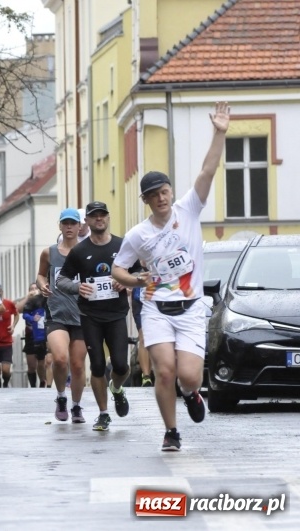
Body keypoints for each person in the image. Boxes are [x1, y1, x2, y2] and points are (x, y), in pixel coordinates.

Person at [112, 102, 230, 451]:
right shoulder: (138, 235)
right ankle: (171, 431)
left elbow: (208, 170)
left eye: (164, 192)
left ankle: (192, 393)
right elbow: (119, 268)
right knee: (164, 371)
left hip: (191, 307)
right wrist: (137, 280)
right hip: (157, 308)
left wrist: (220, 133)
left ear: (170, 192)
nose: (161, 198)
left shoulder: (188, 209)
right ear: (146, 200)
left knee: (189, 376)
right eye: (154, 195)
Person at [56, 201, 140, 431]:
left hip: (116, 314)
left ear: (108, 218)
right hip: (90, 315)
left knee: (121, 365)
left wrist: (126, 282)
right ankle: (103, 414)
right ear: (87, 221)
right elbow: (61, 280)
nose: (99, 219)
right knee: (98, 365)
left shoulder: (122, 245)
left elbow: (139, 271)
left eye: (102, 215)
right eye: (94, 216)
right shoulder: (79, 251)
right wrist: (77, 287)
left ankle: (117, 388)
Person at [37, 208, 88, 423]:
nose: (69, 227)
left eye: (73, 223)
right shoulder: (49, 253)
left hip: (82, 315)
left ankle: (76, 406)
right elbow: (41, 275)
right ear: (60, 225)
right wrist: (42, 285)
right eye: (65, 223)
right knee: (59, 359)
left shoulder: (86, 252)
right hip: (56, 313)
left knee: (77, 365)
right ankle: (60, 397)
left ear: (79, 226)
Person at [18, 284, 49, 387]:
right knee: (31, 365)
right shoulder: (30, 300)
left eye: (36, 288)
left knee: (42, 361)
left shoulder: (46, 299)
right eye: (32, 289)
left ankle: (43, 382)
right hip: (30, 334)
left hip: (43, 334)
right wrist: (32, 318)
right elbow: (19, 310)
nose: (34, 290)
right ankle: (33, 386)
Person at [0, 284, 19, 388]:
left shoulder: (9, 303)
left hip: (6, 342)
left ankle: (6, 383)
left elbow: (16, 315)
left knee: (5, 370)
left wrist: (13, 325)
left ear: (2, 292)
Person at [131, 284, 152, 386]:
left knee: (153, 339)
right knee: (143, 337)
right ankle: (146, 376)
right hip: (140, 298)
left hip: (158, 297)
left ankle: (150, 372)